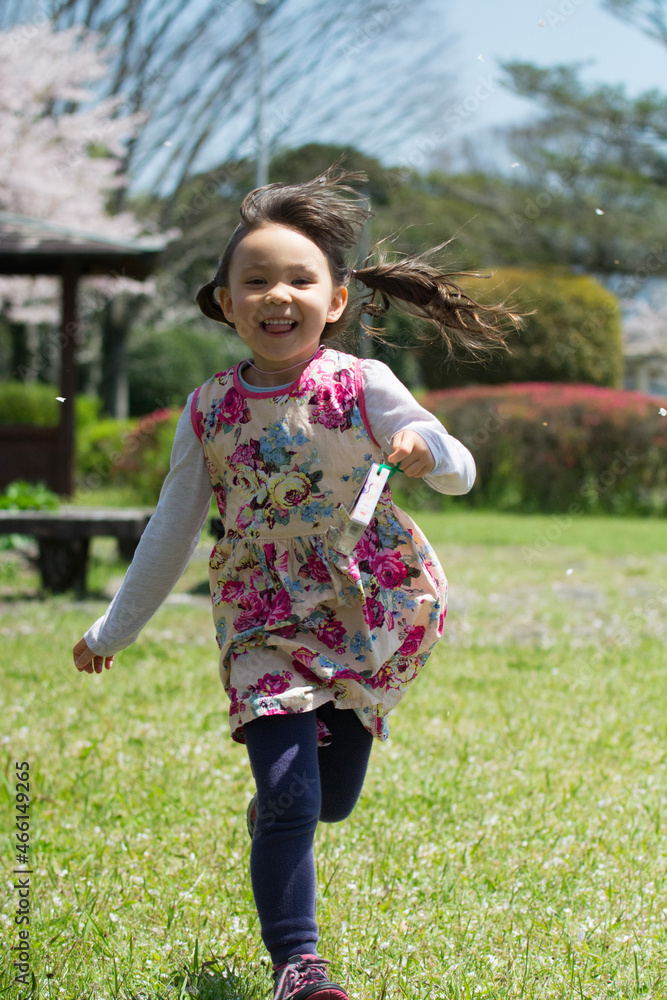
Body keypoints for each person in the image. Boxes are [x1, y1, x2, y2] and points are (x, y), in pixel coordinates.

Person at [73, 166, 520, 1000]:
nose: (277, 295)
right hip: (261, 617)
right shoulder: (208, 409)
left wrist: (426, 449)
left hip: (366, 609)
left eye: (299, 280)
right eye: (255, 281)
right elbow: (171, 529)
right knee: (289, 795)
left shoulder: (362, 384)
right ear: (225, 303)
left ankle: (282, 808)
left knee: (329, 802)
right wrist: (113, 629)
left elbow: (458, 469)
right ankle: (298, 966)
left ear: (336, 299)